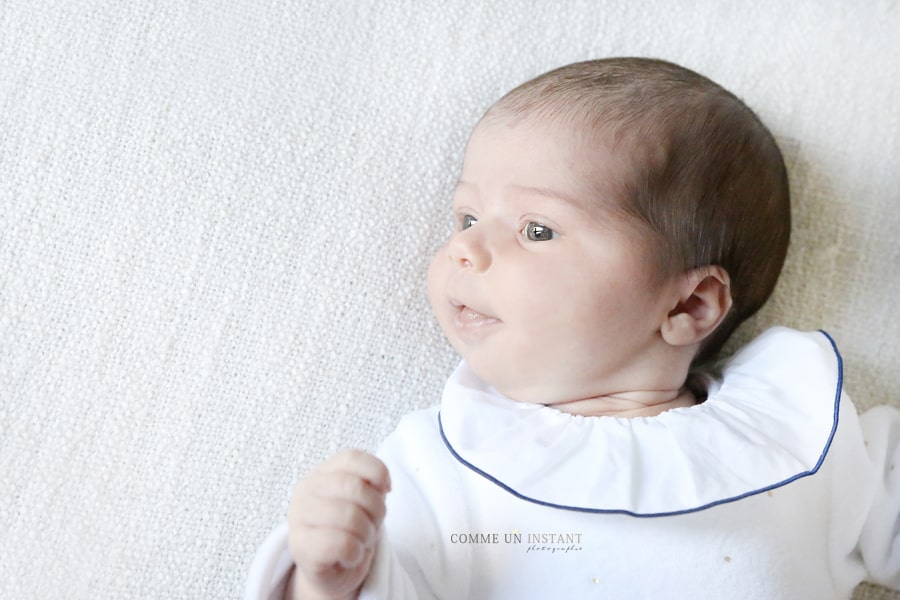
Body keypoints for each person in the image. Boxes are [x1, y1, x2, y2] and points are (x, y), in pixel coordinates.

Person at [245, 58, 900, 599]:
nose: (467, 250)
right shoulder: (441, 464)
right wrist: (331, 576)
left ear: (689, 307)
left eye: (537, 229)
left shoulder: (804, 440)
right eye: (467, 216)